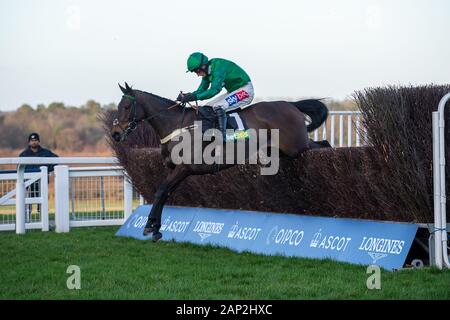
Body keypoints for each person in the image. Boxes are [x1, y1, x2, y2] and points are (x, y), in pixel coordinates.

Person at [177, 52, 254, 140]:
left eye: (197, 71)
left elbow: (214, 90)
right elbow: (201, 90)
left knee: (218, 106)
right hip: (233, 91)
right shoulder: (207, 70)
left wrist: (194, 97)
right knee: (208, 107)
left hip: (245, 90)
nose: (197, 74)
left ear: (203, 66)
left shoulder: (218, 68)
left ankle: (227, 135)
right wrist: (188, 96)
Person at [19, 133, 58, 215]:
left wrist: (47, 170)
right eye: (32, 140)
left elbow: (56, 160)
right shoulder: (23, 154)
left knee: (42, 202)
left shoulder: (46, 153)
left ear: (39, 141)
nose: (34, 142)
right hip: (28, 183)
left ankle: (43, 219)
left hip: (42, 182)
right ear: (29, 142)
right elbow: (19, 168)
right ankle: (27, 219)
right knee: (27, 202)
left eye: (35, 140)